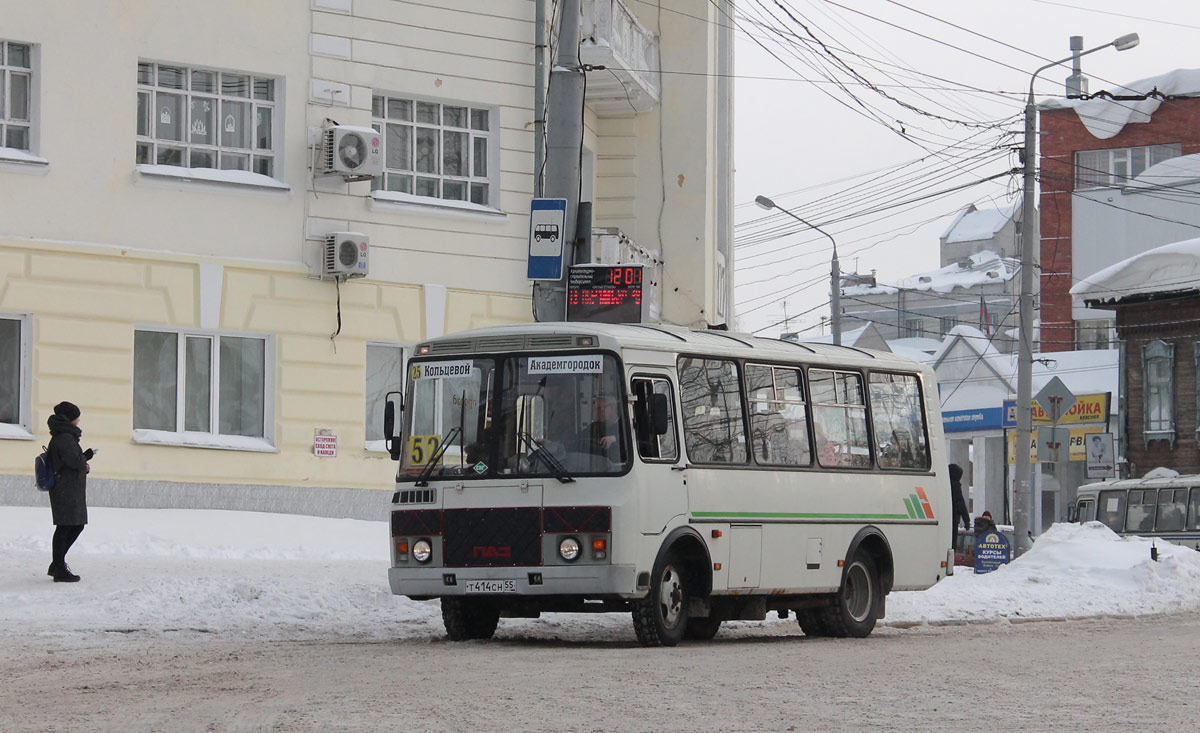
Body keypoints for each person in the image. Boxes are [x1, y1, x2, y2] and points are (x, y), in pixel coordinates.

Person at [46, 401, 96, 583]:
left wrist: (84, 464)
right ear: (69, 418)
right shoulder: (65, 437)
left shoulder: (63, 435)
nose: (79, 419)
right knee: (67, 526)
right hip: (66, 489)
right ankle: (58, 567)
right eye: (76, 416)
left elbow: (71, 462)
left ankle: (57, 564)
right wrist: (87, 456)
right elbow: (74, 461)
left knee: (71, 525)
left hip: (68, 487)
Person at [948, 463, 970, 551]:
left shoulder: (942, 483)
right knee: (952, 544)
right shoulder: (955, 486)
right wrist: (966, 520)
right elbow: (960, 503)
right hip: (953, 519)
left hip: (942, 518)